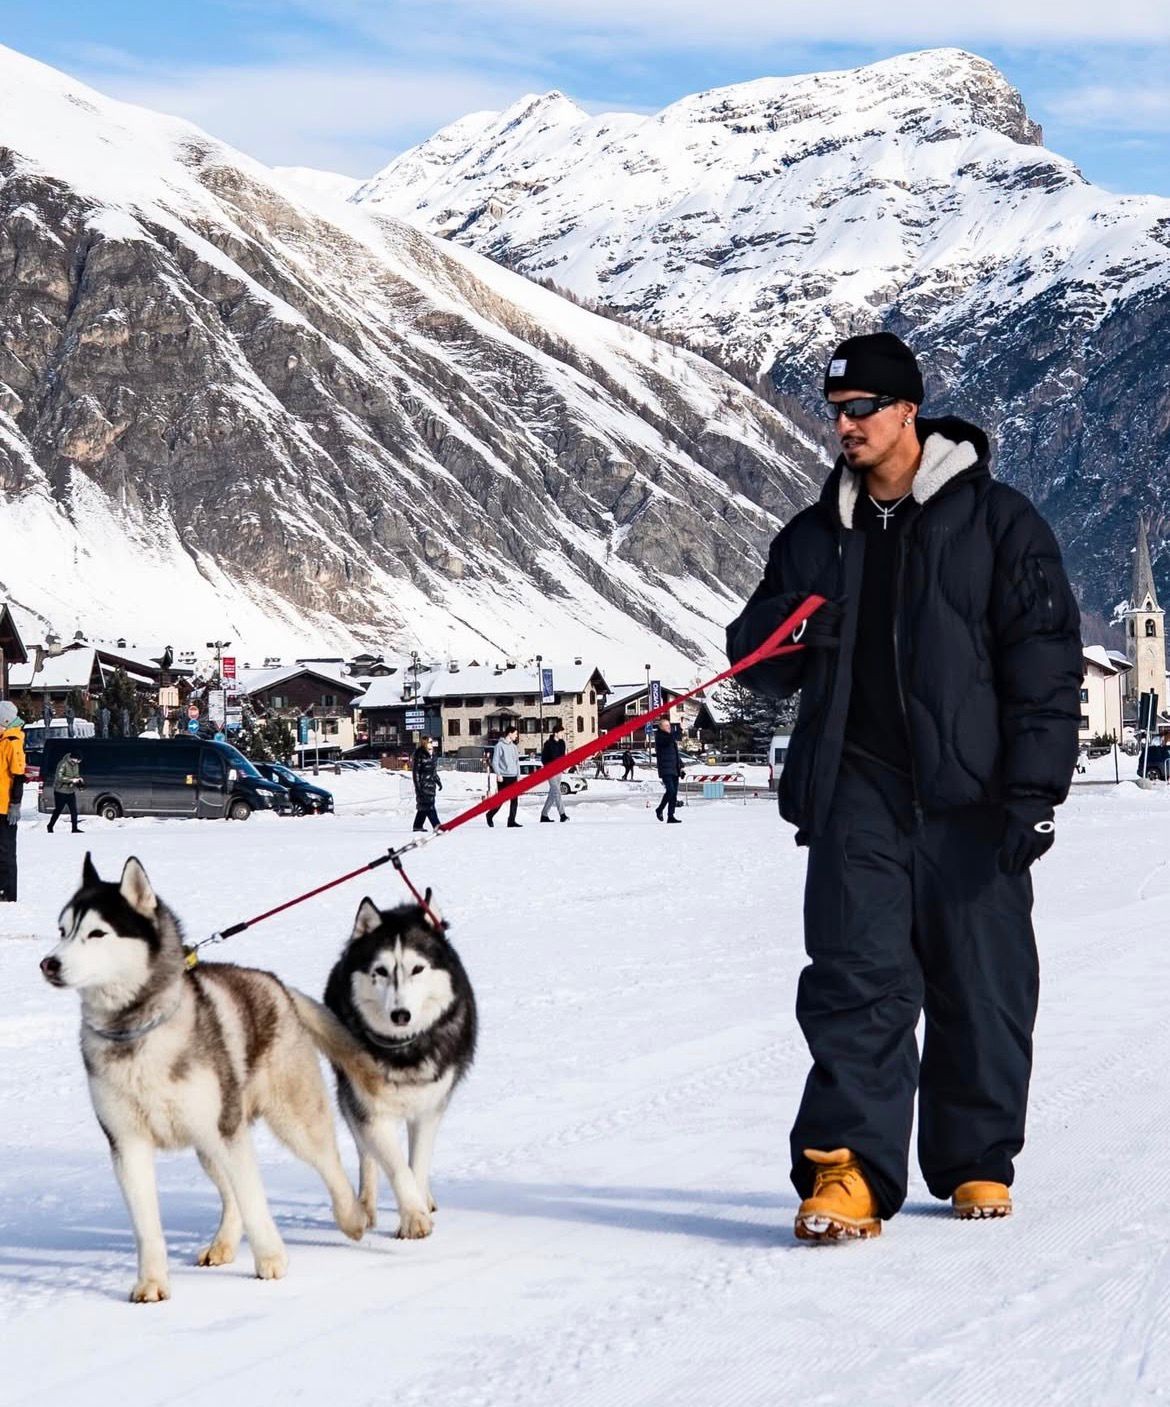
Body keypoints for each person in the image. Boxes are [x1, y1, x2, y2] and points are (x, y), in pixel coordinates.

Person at [726, 331, 1082, 1241]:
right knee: (855, 980)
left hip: (974, 796)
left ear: (905, 412)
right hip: (857, 791)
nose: (841, 426)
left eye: (859, 410)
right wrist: (794, 625)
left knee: (983, 981)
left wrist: (1036, 791)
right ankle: (846, 1171)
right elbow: (756, 660)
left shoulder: (1001, 523)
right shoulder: (814, 537)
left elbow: (1044, 664)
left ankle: (974, 1162)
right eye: (833, 411)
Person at [0, 701, 27, 903]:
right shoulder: (3, 740)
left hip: (5, 807)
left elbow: (18, 775)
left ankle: (8, 894)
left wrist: (15, 804)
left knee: (6, 852)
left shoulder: (12, 740)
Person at [486, 724, 521, 828]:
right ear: (510, 734)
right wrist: (498, 774)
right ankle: (489, 815)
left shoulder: (514, 747)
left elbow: (517, 762)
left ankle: (511, 821)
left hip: (513, 776)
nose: (516, 736)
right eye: (515, 734)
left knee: (514, 800)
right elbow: (495, 762)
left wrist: (518, 775)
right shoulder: (499, 746)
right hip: (504, 777)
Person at [47, 751, 85, 834]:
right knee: (58, 810)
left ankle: (74, 828)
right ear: (74, 759)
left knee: (74, 810)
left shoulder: (76, 765)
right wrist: (71, 780)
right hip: (60, 791)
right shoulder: (63, 763)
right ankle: (50, 826)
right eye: (78, 760)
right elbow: (59, 777)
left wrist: (79, 780)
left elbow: (76, 775)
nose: (79, 762)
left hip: (70, 791)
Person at [410, 735, 442, 832]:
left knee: (423, 807)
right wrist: (418, 786)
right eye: (430, 741)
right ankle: (437, 825)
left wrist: (438, 781)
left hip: (431, 784)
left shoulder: (432, 754)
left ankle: (417, 825)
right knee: (429, 806)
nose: (432, 743)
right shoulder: (420, 753)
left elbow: (433, 771)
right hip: (423, 784)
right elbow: (416, 772)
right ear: (425, 742)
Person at [653, 719, 683, 822]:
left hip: (674, 768)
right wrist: (678, 731)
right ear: (661, 727)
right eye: (666, 726)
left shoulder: (671, 738)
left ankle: (671, 816)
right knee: (670, 791)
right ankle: (659, 809)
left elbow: (675, 754)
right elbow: (668, 741)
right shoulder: (660, 737)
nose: (669, 727)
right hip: (665, 769)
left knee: (674, 793)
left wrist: (681, 766)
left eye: (669, 726)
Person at [539, 720, 569, 822]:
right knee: (557, 792)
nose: (562, 735)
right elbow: (543, 758)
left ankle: (544, 815)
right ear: (556, 733)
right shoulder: (548, 744)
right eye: (561, 733)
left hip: (559, 771)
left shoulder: (562, 743)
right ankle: (562, 815)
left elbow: (563, 757)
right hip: (550, 771)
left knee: (552, 794)